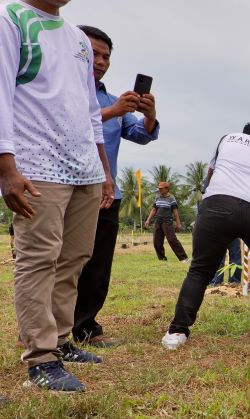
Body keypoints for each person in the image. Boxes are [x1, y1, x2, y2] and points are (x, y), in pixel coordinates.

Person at [1, 0, 116, 392]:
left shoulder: (77, 40)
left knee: (74, 258)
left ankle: (62, 340)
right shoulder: (12, 18)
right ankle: (40, 358)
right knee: (39, 259)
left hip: (82, 166)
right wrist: (7, 167)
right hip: (36, 165)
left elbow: (88, 110)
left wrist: (102, 170)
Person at [160, 123, 250, 349]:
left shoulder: (228, 139)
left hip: (217, 205)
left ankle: (177, 332)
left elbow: (210, 176)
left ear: (244, 134)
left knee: (200, 269)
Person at [71, 25, 160, 347]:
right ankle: (47, 331)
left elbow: (142, 135)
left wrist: (149, 115)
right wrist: (112, 112)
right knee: (61, 262)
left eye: (105, 56)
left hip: (107, 194)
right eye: (93, 53)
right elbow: (72, 125)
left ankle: (85, 326)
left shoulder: (112, 100)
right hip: (65, 186)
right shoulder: (58, 92)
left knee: (97, 265)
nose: (100, 61)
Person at [145, 182, 188, 262]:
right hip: (158, 221)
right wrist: (148, 220)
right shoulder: (157, 198)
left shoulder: (171, 198)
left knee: (172, 239)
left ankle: (183, 258)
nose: (159, 190)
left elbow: (175, 212)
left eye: (161, 188)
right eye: (159, 188)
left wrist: (178, 223)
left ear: (167, 189)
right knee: (156, 241)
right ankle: (162, 258)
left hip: (167, 221)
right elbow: (154, 209)